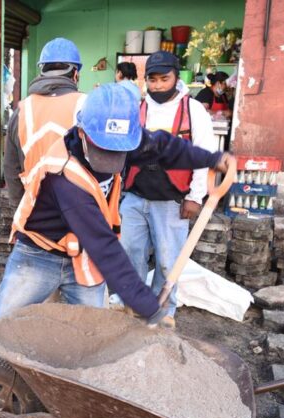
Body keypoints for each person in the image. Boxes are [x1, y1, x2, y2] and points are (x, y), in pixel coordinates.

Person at [0, 84, 235, 368]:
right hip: (39, 254)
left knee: (91, 331)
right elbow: (105, 248)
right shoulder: (63, 176)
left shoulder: (123, 140)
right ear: (82, 133)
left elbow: (163, 146)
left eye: (119, 152)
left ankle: (73, 381)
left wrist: (212, 159)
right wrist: (146, 304)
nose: (111, 161)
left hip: (82, 255)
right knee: (4, 317)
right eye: (103, 151)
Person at [118, 51, 217, 328]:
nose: (158, 85)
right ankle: (134, 306)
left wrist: (195, 197)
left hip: (172, 199)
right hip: (135, 196)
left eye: (165, 79)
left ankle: (164, 311)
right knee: (130, 253)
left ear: (176, 77)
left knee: (168, 262)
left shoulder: (193, 110)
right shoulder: (138, 108)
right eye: (153, 79)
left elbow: (204, 155)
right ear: (145, 80)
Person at [3, 37, 85, 207]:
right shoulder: (87, 106)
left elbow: (11, 169)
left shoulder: (22, 110)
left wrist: (21, 210)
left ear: (41, 71)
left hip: (35, 211)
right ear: (75, 74)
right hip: (81, 213)